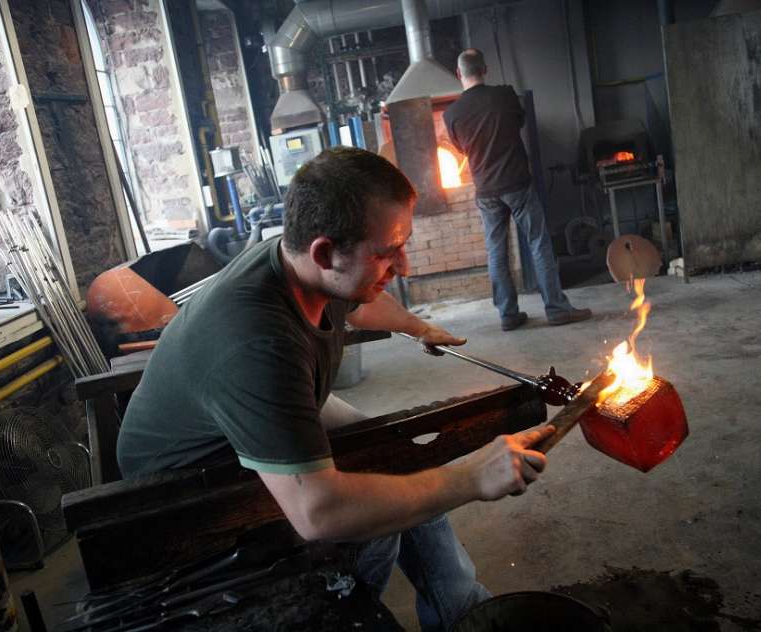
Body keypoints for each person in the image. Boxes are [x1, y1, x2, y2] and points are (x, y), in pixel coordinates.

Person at [117, 147, 554, 631]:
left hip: (253, 415)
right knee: (371, 521)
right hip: (180, 483)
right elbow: (318, 513)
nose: (403, 267)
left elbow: (359, 302)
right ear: (325, 251)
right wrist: (472, 478)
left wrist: (416, 326)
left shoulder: (300, 264)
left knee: (400, 456)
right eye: (388, 252)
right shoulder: (258, 343)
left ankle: (462, 610)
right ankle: (344, 609)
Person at [444, 48, 592, 331]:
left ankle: (508, 315)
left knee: (496, 251)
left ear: (458, 74)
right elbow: (519, 122)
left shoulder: (452, 114)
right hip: (517, 183)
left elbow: (460, 148)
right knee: (538, 242)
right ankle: (556, 309)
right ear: (485, 69)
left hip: (486, 190)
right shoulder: (505, 96)